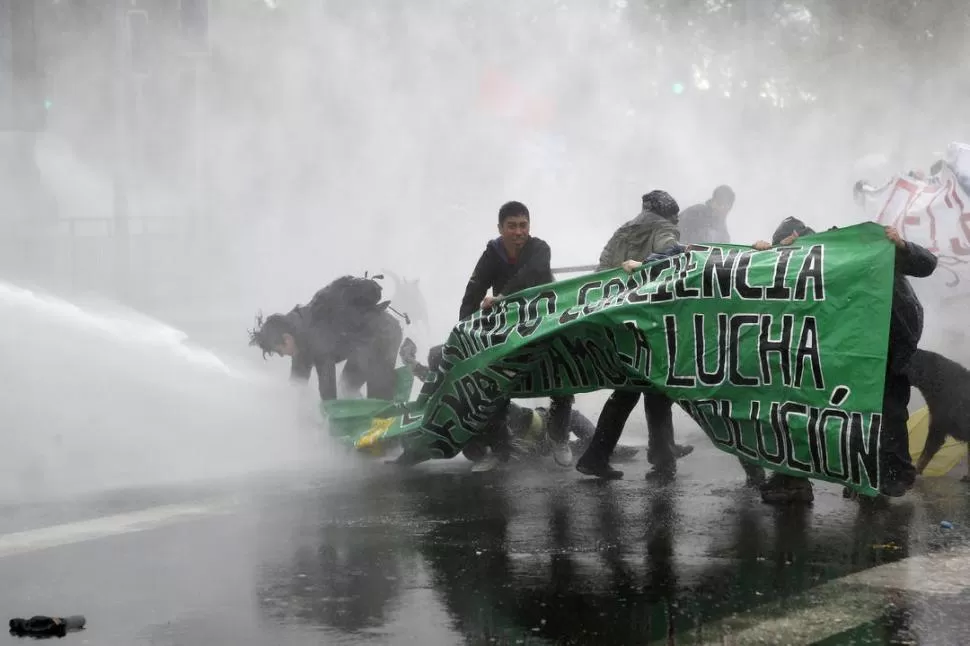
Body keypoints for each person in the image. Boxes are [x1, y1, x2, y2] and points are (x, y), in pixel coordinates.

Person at [752, 217, 938, 502]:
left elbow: (927, 264)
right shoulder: (797, 263)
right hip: (851, 340)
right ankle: (863, 475)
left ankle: (893, 477)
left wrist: (902, 246)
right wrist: (761, 253)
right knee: (849, 408)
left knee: (887, 404)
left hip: (894, 333)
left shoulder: (853, 247)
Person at [576, 190, 693, 481]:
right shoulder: (664, 228)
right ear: (669, 214)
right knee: (648, 387)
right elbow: (667, 253)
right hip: (649, 319)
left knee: (636, 388)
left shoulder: (622, 231)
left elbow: (601, 271)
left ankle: (653, 452)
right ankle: (655, 457)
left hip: (619, 316)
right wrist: (679, 250)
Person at [458, 200, 574, 472]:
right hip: (511, 328)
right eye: (512, 226)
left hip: (546, 320)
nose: (519, 232)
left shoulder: (540, 248)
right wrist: (464, 331)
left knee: (562, 380)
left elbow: (530, 274)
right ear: (500, 228)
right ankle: (500, 450)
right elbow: (473, 292)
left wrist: (501, 296)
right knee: (496, 384)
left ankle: (559, 438)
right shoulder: (492, 254)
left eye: (523, 225)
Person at [248, 275, 403, 402]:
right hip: (365, 345)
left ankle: (389, 429)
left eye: (279, 351)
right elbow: (298, 384)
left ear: (286, 339)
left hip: (384, 335)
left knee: (378, 403)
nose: (283, 355)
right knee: (346, 389)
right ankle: (360, 422)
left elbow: (327, 384)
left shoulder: (312, 332)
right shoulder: (300, 338)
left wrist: (328, 420)